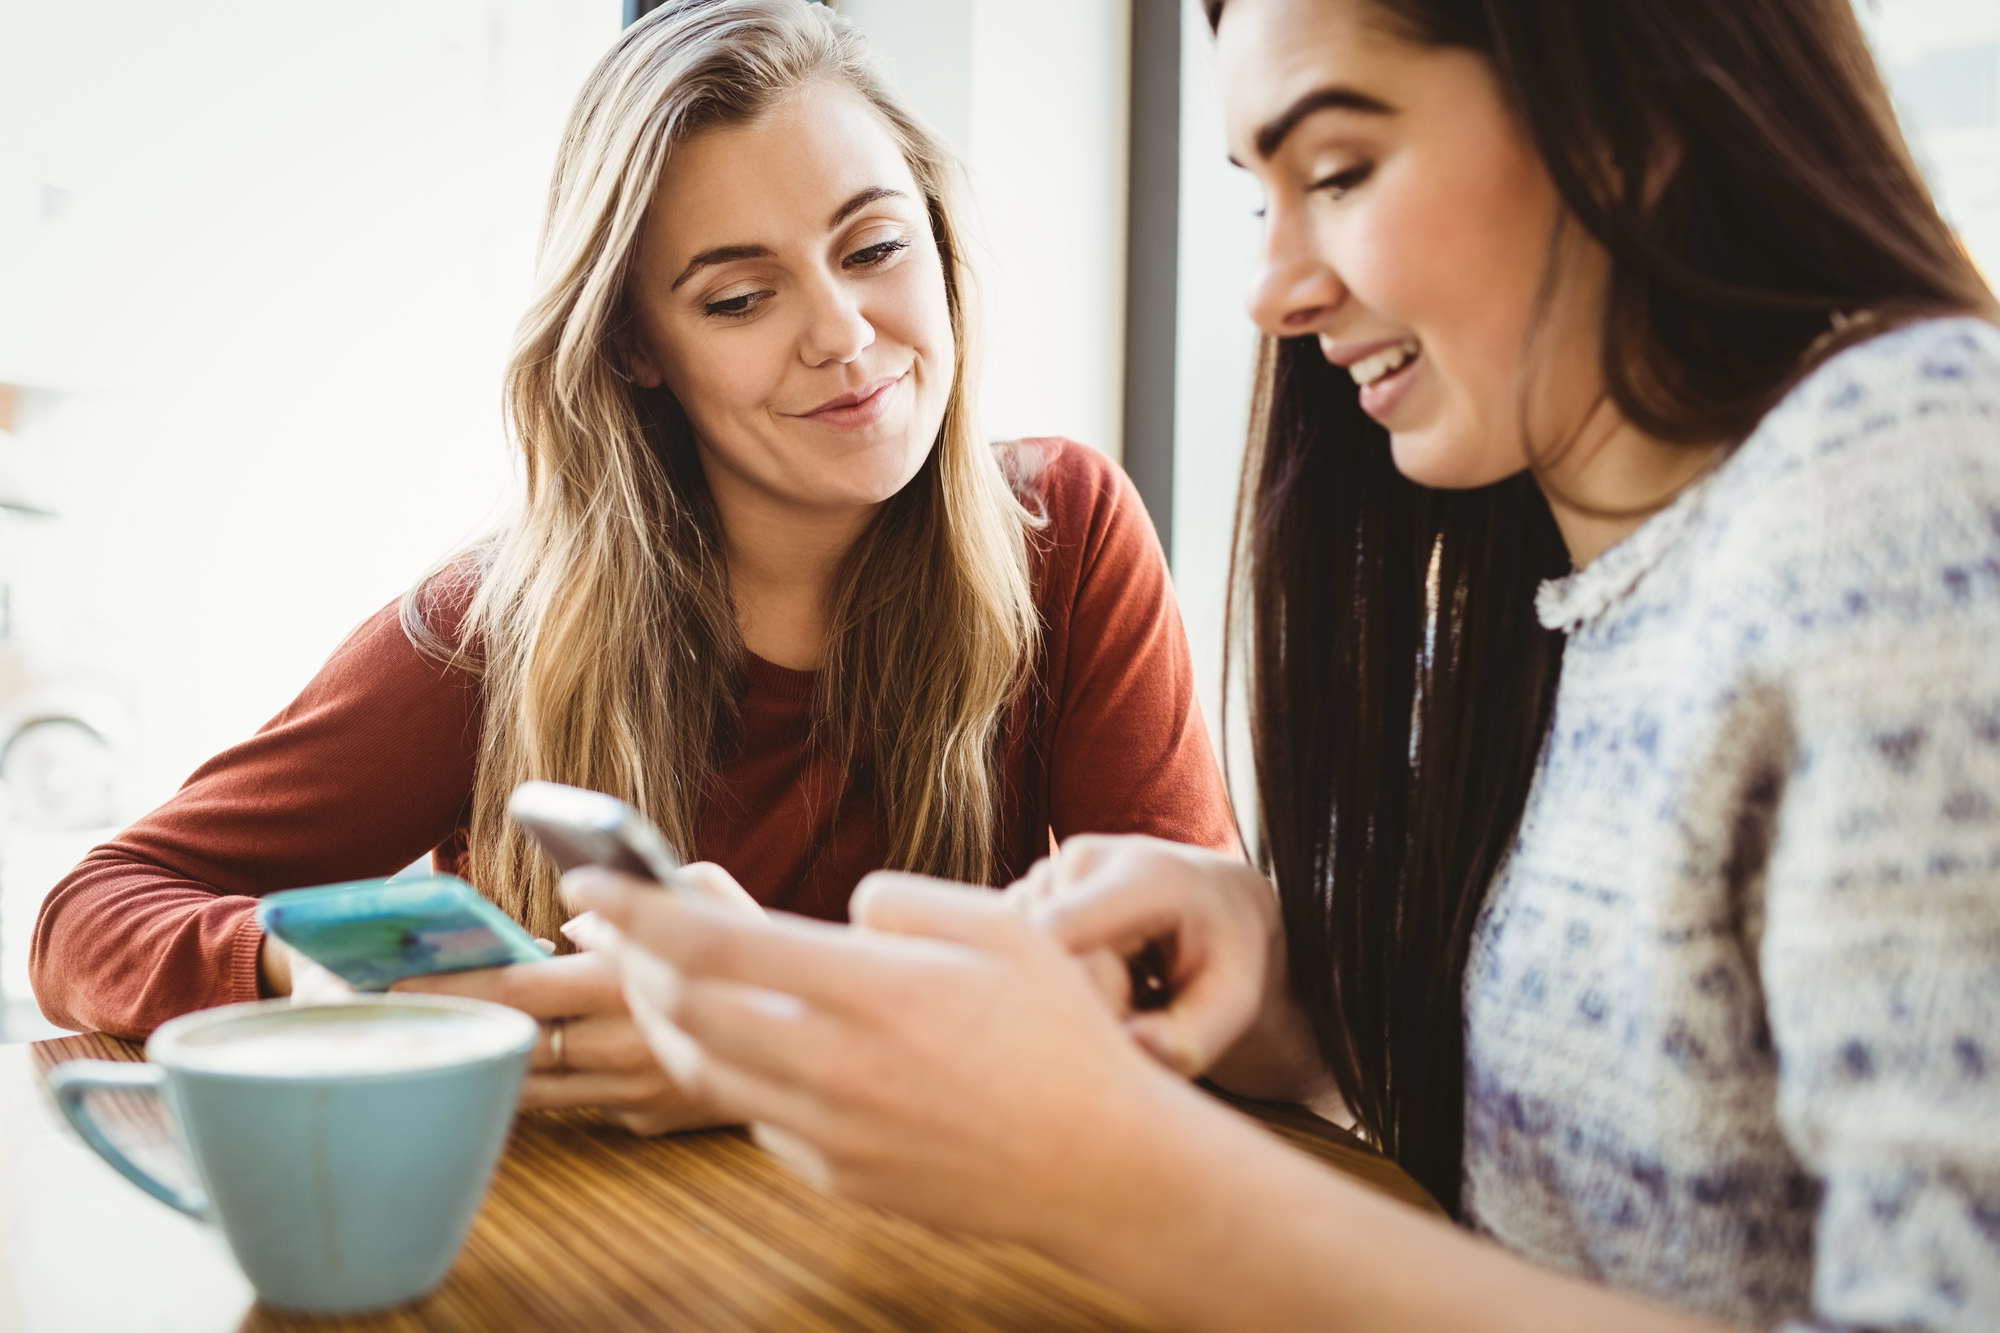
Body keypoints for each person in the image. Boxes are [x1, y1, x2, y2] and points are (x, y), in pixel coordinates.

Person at [569, 0, 2000, 1327]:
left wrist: (1119, 1175)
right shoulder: (1543, 590)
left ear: (1635, 110)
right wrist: (1297, 1002)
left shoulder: (1911, 478)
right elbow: (1607, 1179)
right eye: (1263, 195)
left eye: (1343, 168)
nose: (1271, 288)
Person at [30, 0, 1234, 1136]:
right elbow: (92, 914)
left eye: (873, 246)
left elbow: (1186, 991)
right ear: (635, 349)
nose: (843, 334)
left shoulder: (1064, 532)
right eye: (740, 297)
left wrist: (768, 1041)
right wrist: (384, 964)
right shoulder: (497, 627)